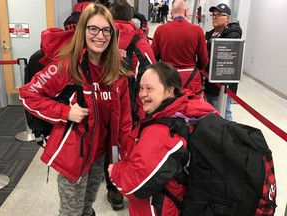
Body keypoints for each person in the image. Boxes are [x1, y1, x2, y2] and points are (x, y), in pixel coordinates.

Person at [19, 3, 132, 216]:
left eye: (106, 30)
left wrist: (124, 156)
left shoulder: (117, 72)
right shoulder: (66, 66)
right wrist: (65, 112)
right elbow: (28, 94)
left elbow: (124, 120)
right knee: (71, 212)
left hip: (100, 155)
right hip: (75, 156)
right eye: (93, 29)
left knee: (87, 208)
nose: (100, 36)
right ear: (83, 30)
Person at [108, 62, 217, 216]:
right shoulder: (187, 110)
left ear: (169, 90)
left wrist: (114, 171)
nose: (142, 94)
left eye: (149, 89)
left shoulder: (162, 132)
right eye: (141, 88)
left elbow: (135, 184)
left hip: (160, 208)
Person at [103, 0, 155, 211]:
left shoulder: (100, 34)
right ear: (130, 17)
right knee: (128, 142)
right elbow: (152, 67)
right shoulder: (136, 37)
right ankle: (126, 186)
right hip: (130, 103)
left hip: (100, 100)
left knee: (106, 141)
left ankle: (111, 188)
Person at [151, 0, 208, 100]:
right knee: (192, 109)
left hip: (168, 77)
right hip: (191, 78)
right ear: (186, 12)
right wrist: (196, 68)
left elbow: (153, 56)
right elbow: (204, 60)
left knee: (168, 108)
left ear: (172, 13)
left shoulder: (161, 30)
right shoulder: (197, 31)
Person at [205, 3, 242, 121]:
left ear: (228, 18)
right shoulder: (210, 34)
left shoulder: (232, 35)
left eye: (220, 14)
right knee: (211, 112)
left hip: (222, 85)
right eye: (213, 14)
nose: (215, 17)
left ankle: (229, 137)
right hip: (209, 82)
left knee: (224, 114)